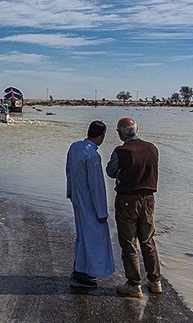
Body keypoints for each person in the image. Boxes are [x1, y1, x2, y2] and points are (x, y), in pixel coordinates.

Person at [106, 117, 162, 298]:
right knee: (148, 240)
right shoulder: (152, 148)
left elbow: (111, 171)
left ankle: (134, 284)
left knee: (129, 242)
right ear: (136, 130)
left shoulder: (121, 151)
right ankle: (155, 282)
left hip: (127, 199)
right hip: (148, 199)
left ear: (121, 133)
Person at [65, 120, 115, 288]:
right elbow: (96, 186)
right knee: (94, 238)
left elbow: (69, 171)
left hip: (78, 199)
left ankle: (80, 270)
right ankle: (82, 274)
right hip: (89, 204)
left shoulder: (75, 147)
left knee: (82, 236)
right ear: (101, 136)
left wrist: (70, 191)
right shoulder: (93, 156)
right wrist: (102, 212)